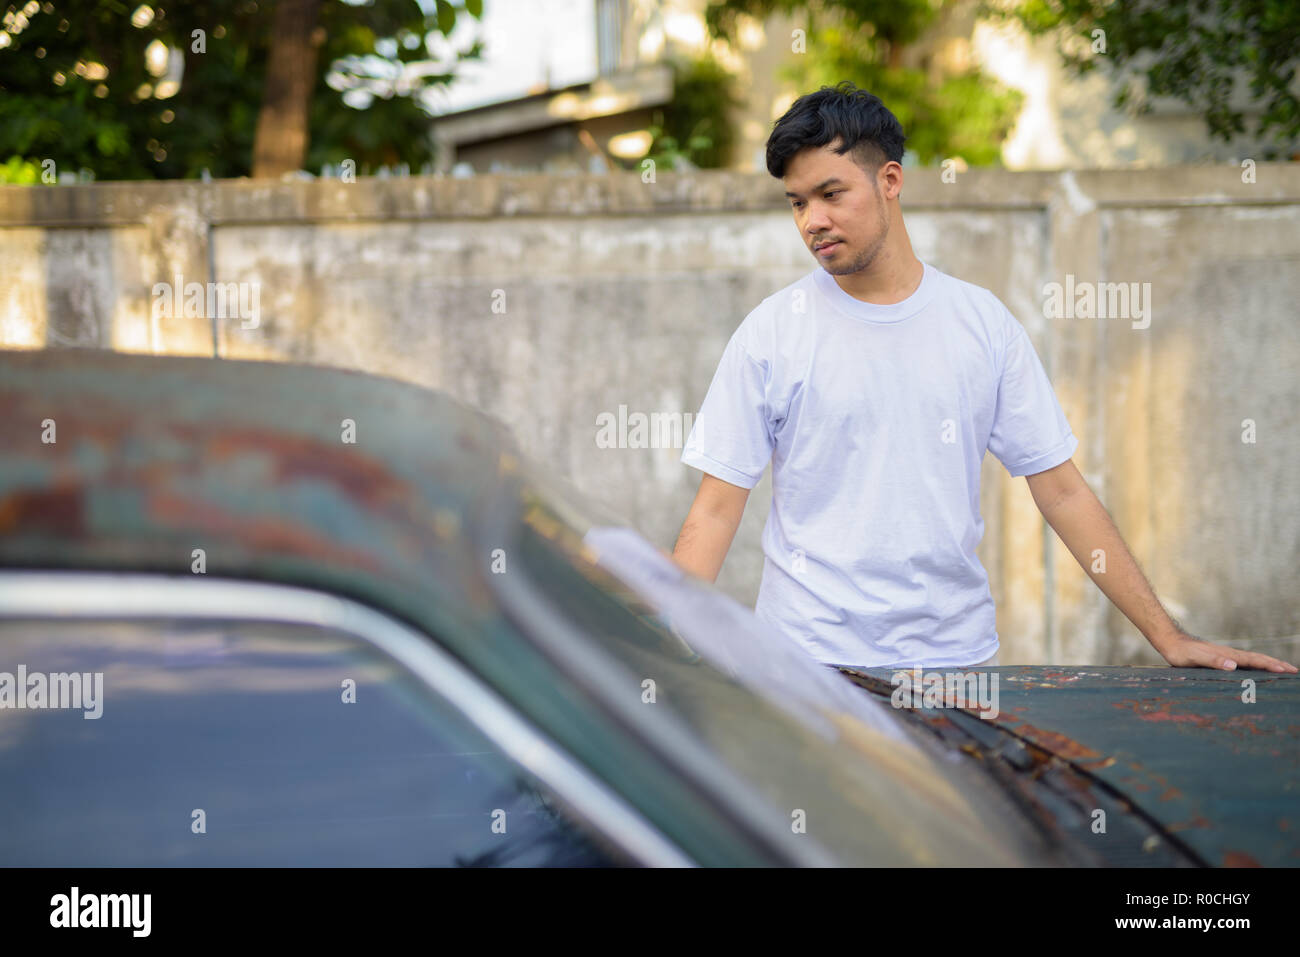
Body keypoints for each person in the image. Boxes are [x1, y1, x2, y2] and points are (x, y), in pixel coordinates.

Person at [671, 81, 1296, 675]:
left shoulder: (981, 323)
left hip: (955, 665)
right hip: (806, 664)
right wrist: (657, 653)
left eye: (831, 194)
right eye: (798, 203)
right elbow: (717, 509)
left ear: (890, 180)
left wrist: (1169, 636)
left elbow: (1062, 492)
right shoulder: (773, 332)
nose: (812, 221)